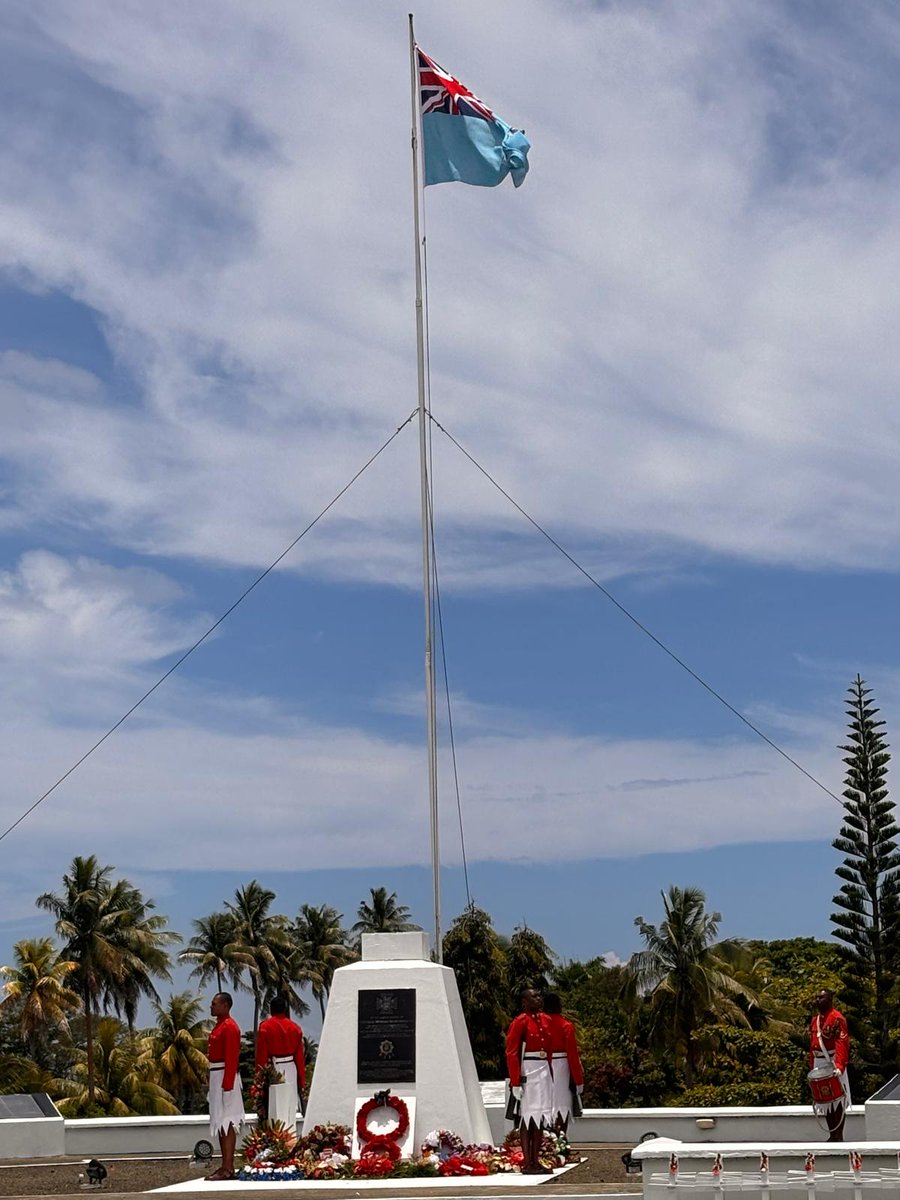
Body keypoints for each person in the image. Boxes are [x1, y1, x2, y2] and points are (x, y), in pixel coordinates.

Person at [506, 987, 554, 1174]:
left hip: (542, 1069)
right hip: (529, 1069)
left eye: (539, 994)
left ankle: (536, 1160)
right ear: (525, 1002)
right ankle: (528, 1162)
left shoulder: (546, 1020)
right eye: (534, 996)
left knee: (540, 1118)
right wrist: (516, 1081)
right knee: (527, 1119)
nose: (539, 998)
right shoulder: (520, 1022)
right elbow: (511, 1052)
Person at [255, 994, 305, 1132]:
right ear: (285, 1009)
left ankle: (277, 1137)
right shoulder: (295, 1028)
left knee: (274, 1104)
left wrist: (259, 1077)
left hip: (273, 1068)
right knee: (290, 1104)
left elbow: (261, 1056)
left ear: (271, 1010)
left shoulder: (265, 1027)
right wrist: (302, 1080)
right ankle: (291, 1134)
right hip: (291, 1067)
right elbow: (299, 1057)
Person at [207, 992, 244, 1180]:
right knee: (220, 1121)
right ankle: (225, 1165)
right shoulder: (219, 1026)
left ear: (225, 1005)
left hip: (224, 1076)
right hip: (216, 1075)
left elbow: (231, 1057)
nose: (211, 1007)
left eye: (215, 1004)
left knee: (228, 1121)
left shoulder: (229, 1027)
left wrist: (227, 1085)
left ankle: (228, 1167)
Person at [809, 988, 850, 1142]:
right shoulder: (815, 1020)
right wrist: (812, 1065)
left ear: (830, 1000)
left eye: (822, 998)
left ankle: (838, 1134)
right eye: (817, 997)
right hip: (819, 1061)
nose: (818, 1000)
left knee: (838, 1099)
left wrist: (839, 1066)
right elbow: (812, 1045)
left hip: (832, 1061)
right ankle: (832, 1134)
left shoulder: (837, 1018)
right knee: (824, 1099)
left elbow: (842, 1043)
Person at [543, 992, 584, 1134]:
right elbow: (572, 1055)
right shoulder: (565, 1025)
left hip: (541, 1064)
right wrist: (578, 1080)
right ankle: (560, 1140)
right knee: (562, 1106)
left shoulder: (540, 1025)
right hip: (561, 1066)